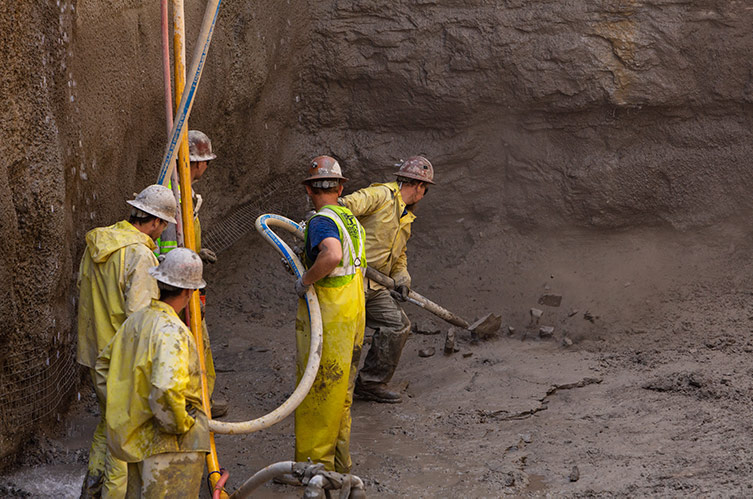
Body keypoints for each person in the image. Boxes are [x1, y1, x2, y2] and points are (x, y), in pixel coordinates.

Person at [76, 184, 177, 498]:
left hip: (94, 352)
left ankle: (91, 486)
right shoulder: (139, 254)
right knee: (124, 441)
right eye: (163, 226)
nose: (162, 233)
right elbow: (140, 319)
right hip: (120, 360)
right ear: (157, 222)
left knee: (109, 423)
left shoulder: (99, 242)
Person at [95, 248, 210, 497]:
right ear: (190, 291)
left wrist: (123, 410)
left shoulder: (135, 322)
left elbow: (103, 366)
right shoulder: (172, 331)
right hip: (171, 446)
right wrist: (180, 425)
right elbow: (166, 388)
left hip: (137, 440)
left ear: (159, 282)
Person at [291, 155, 367, 476]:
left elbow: (332, 254)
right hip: (353, 310)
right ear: (339, 187)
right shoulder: (349, 218)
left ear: (309, 190)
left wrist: (305, 279)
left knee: (319, 391)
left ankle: (315, 472)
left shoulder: (322, 222)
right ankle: (341, 466)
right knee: (342, 395)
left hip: (330, 316)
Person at [340, 156, 435, 404]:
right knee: (349, 336)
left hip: (376, 285)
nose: (424, 196)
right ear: (418, 186)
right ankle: (333, 390)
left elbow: (399, 254)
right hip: (350, 280)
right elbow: (343, 206)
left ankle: (371, 383)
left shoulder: (407, 217)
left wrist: (401, 276)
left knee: (397, 325)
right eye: (425, 189)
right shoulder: (380, 195)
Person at [156, 129, 226, 418]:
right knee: (193, 342)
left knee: (199, 341)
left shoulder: (185, 194)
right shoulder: (174, 197)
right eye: (206, 161)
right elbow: (170, 244)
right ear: (197, 163)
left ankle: (202, 400)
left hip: (187, 276)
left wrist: (199, 251)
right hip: (178, 283)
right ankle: (197, 404)